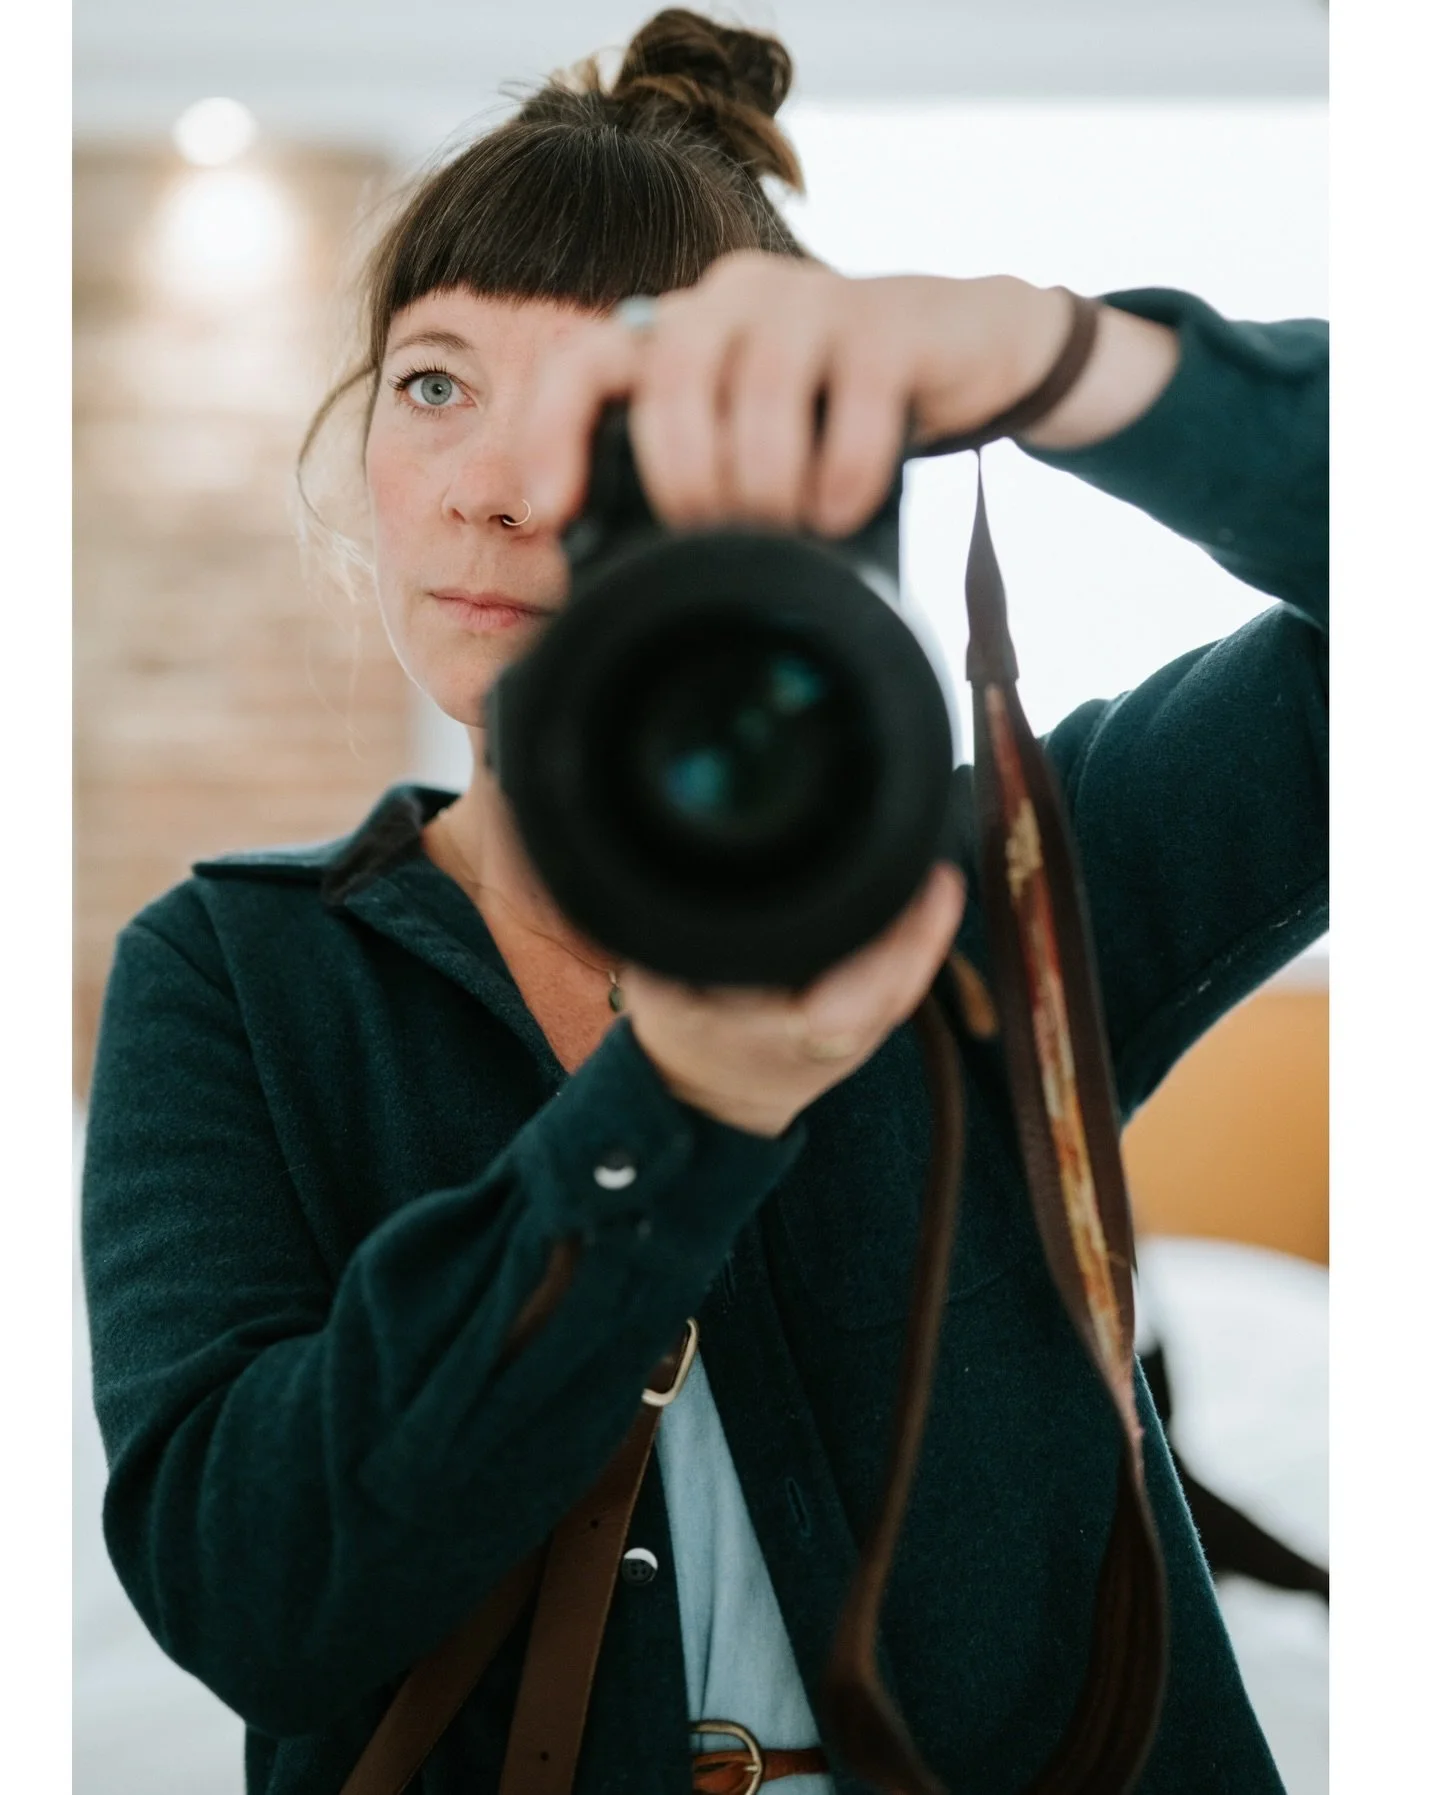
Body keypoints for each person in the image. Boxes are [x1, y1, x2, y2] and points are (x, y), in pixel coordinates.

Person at [81, 10, 1328, 1794]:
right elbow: (250, 1585)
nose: (502, 492)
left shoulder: (1001, 888)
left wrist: (1069, 361)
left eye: (610, 416)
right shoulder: (233, 973)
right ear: (364, 451)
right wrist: (678, 1109)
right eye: (437, 383)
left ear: (766, 485)